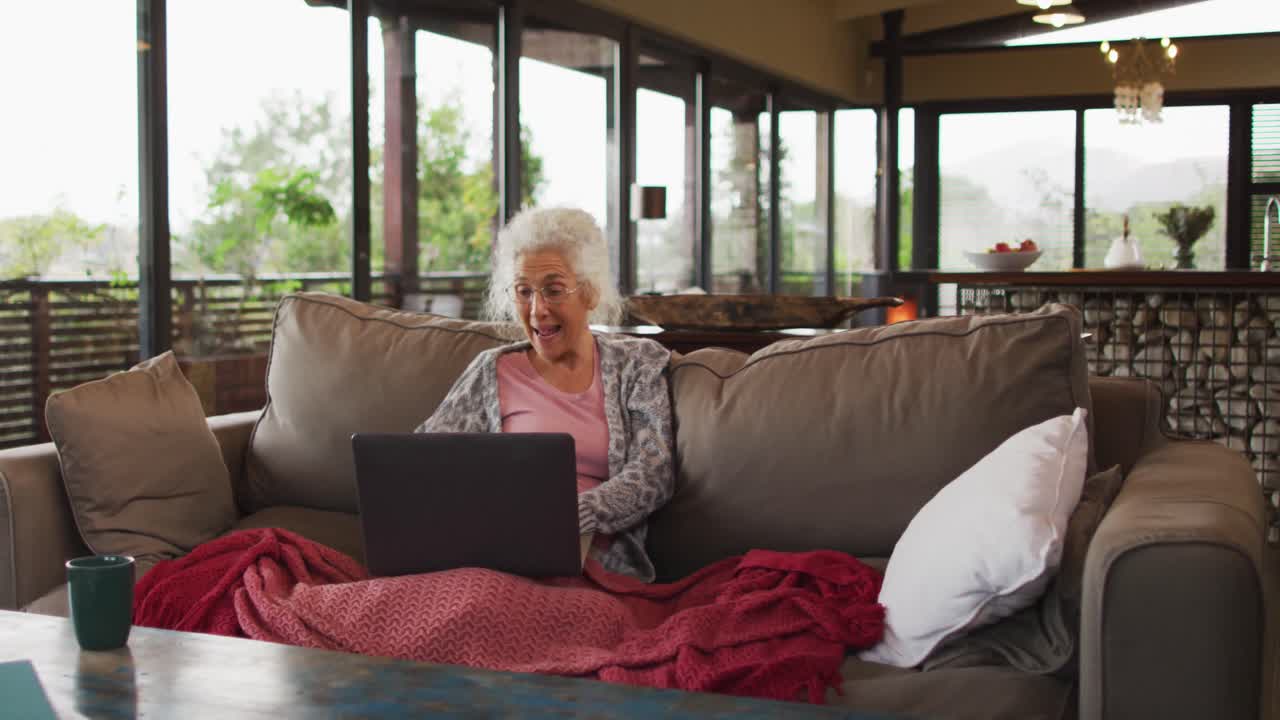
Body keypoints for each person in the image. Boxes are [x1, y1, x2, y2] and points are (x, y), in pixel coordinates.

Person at [416, 207, 674, 582]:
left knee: (480, 613)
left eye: (553, 290)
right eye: (524, 292)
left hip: (591, 561)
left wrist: (571, 516)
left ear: (589, 291)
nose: (537, 311)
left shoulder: (637, 365)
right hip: (492, 553)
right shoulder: (491, 370)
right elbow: (423, 461)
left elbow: (655, 471)